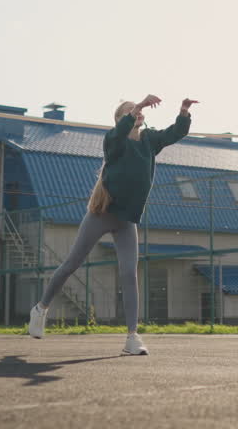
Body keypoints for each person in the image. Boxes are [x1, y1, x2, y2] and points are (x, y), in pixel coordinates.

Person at [27, 95, 197, 355]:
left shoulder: (150, 141)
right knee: (72, 264)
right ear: (120, 120)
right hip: (102, 214)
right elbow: (117, 135)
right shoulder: (114, 142)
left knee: (129, 274)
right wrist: (137, 106)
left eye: (138, 111)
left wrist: (183, 112)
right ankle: (41, 309)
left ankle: (132, 337)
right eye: (129, 112)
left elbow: (175, 133)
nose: (136, 113)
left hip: (127, 220)